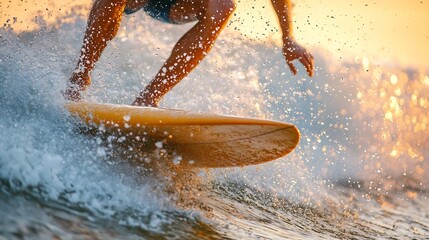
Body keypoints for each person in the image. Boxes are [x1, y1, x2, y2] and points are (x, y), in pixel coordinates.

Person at [64, 0, 314, 107]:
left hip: (180, 3)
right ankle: (79, 78)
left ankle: (148, 99)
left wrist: (288, 38)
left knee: (223, 5)